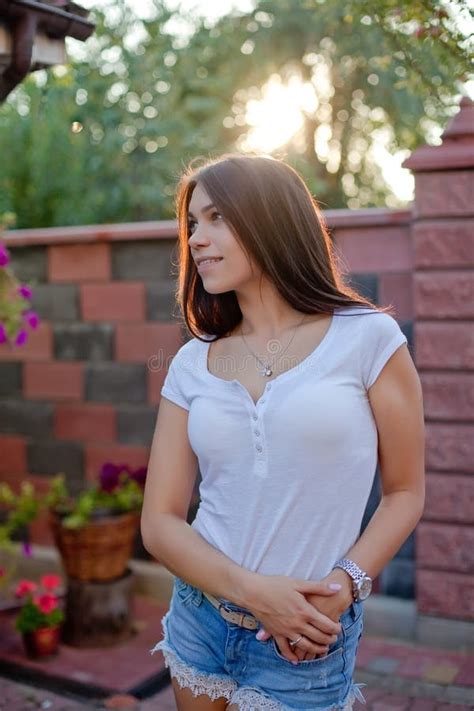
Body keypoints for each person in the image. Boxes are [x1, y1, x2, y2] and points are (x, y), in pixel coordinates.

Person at [142, 154, 425, 711]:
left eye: (217, 217)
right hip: (200, 618)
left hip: (306, 636)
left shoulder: (368, 339)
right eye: (193, 224)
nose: (196, 239)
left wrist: (343, 588)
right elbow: (160, 520)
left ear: (271, 219)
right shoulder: (191, 364)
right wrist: (253, 593)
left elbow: (405, 493)